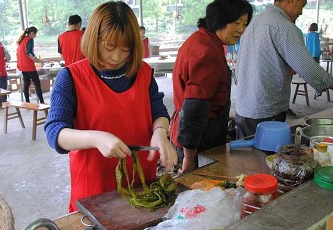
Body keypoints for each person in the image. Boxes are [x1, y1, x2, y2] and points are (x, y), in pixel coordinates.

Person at [44, 1, 177, 212]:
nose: (116, 57)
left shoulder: (143, 73)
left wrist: (160, 132)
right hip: (94, 191)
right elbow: (54, 133)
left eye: (126, 49)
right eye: (109, 47)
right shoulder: (70, 77)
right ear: (93, 39)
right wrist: (95, 138)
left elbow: (159, 113)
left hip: (143, 187)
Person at [169, 0, 253, 174]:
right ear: (219, 20)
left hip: (190, 132)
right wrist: (190, 159)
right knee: (201, 188)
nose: (241, 29)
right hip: (199, 140)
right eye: (236, 23)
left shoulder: (200, 39)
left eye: (245, 24)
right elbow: (194, 109)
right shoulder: (207, 52)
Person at [235, 0, 333, 139]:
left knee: (244, 156)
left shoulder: (253, 22)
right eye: (303, 5)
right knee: (265, 159)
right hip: (266, 113)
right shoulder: (285, 27)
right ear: (292, 1)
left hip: (242, 108)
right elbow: (310, 70)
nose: (301, 12)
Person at [16, 26, 45, 104]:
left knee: (26, 84)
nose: (35, 36)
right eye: (35, 34)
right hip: (29, 66)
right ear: (32, 33)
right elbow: (29, 53)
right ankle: (42, 102)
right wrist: (38, 61)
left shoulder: (21, 40)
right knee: (37, 84)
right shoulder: (30, 40)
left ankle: (27, 102)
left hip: (22, 66)